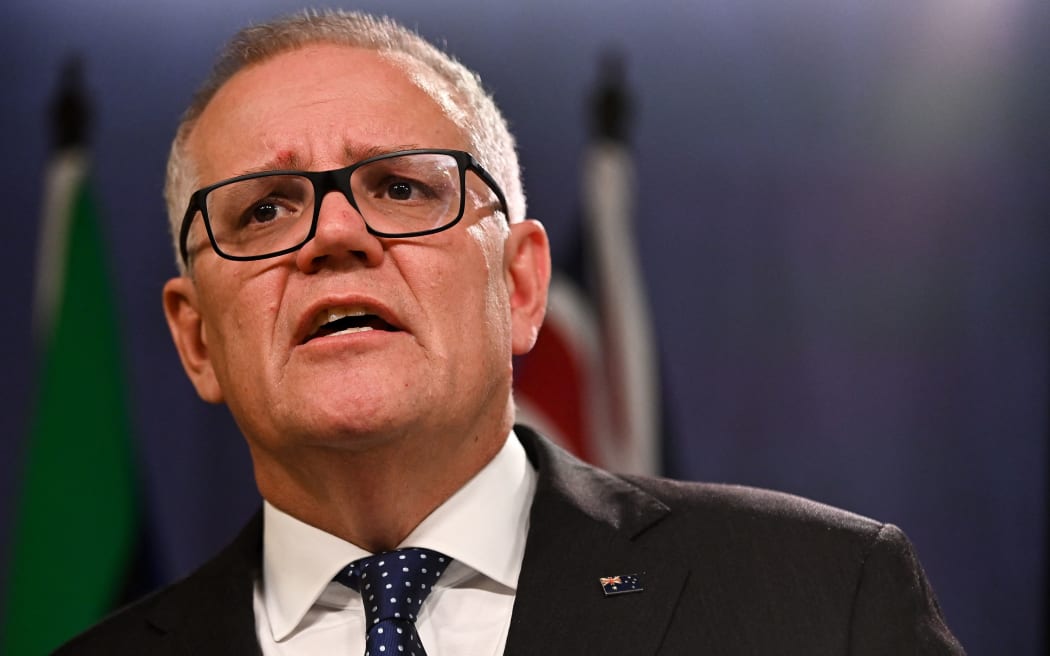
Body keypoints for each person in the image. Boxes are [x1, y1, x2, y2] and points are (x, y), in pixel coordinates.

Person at [56, 9, 964, 655]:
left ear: (522, 284)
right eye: (262, 210)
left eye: (401, 189)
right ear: (197, 340)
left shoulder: (818, 598)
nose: (335, 236)